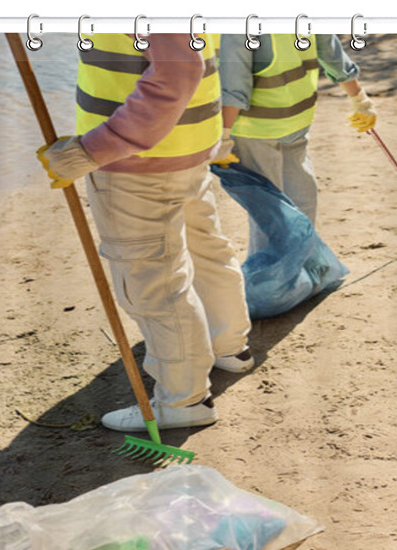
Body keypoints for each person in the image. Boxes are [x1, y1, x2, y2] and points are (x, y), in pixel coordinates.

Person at [37, 33, 253, 433]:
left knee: (153, 282)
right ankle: (229, 347)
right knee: (204, 249)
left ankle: (184, 400)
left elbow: (176, 75)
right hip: (188, 143)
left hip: (138, 161)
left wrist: (92, 150)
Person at [216, 34, 377, 250]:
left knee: (267, 207)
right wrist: (360, 99)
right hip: (297, 117)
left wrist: (224, 136)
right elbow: (331, 52)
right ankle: (306, 266)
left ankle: (274, 278)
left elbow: (235, 84)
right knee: (302, 197)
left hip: (255, 126)